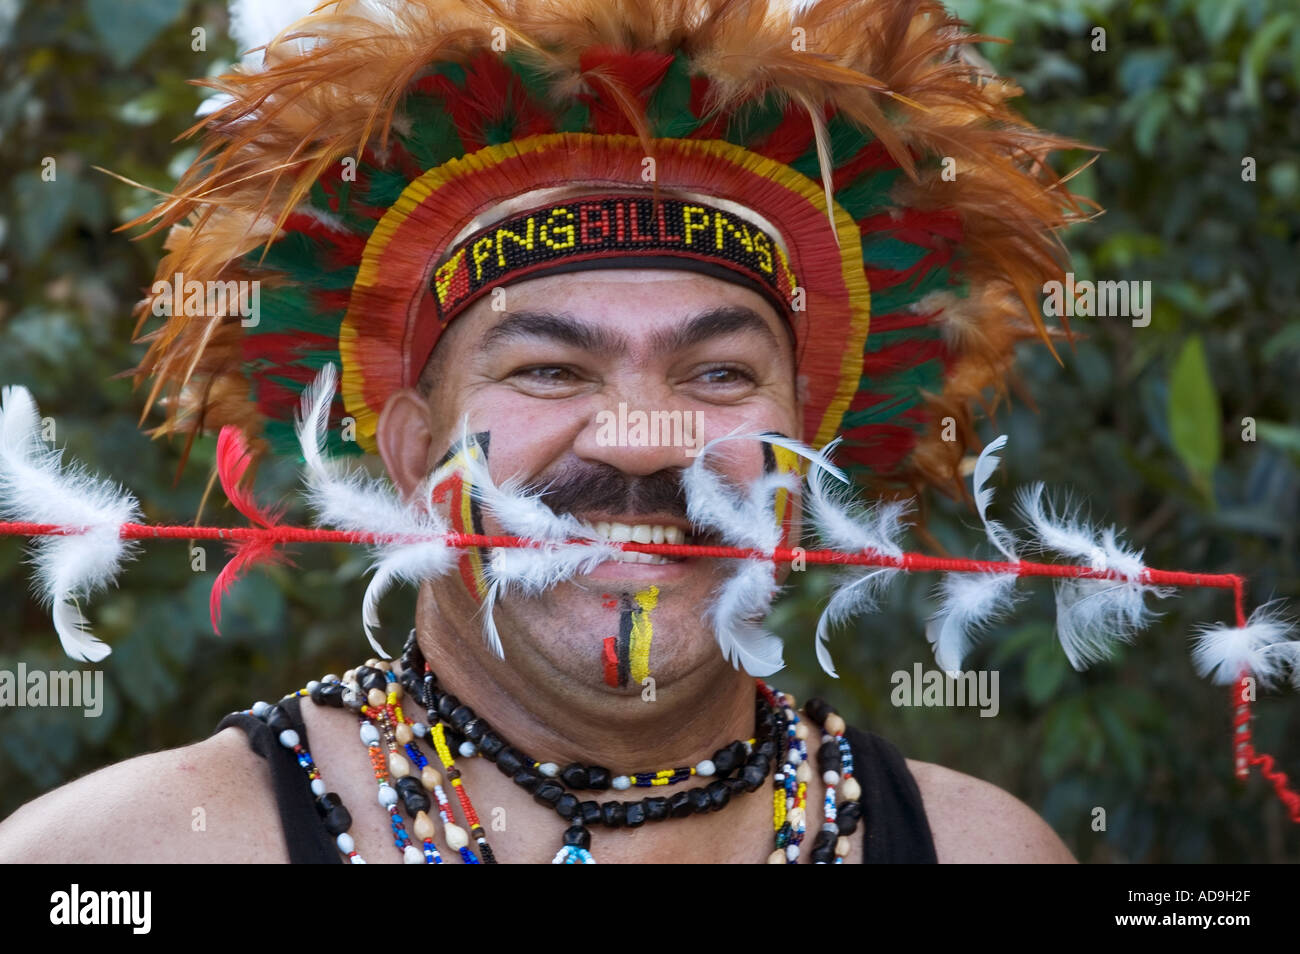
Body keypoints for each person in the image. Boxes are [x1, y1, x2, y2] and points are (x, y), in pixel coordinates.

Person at [0, 0, 1085, 863]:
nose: (642, 440)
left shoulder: (983, 851)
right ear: (414, 447)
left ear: (807, 440)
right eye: (551, 368)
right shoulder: (121, 859)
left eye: (717, 372)